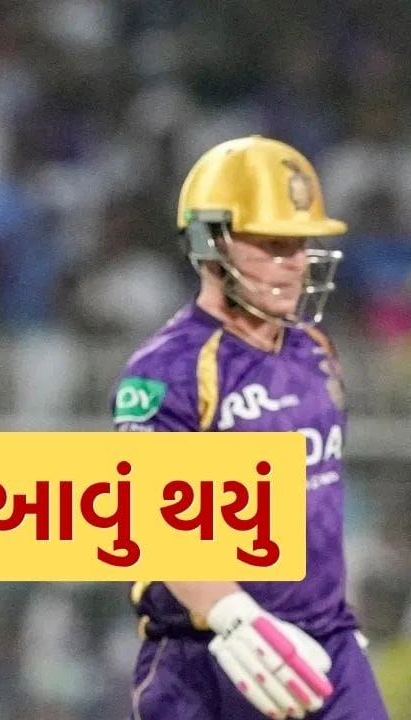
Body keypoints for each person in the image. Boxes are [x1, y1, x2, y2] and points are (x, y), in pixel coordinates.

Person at [112, 135, 390, 719]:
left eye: (300, 243)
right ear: (209, 242)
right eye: (272, 244)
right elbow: (152, 520)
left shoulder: (315, 349)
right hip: (208, 658)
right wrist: (235, 616)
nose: (296, 262)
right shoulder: (169, 369)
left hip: (327, 646)